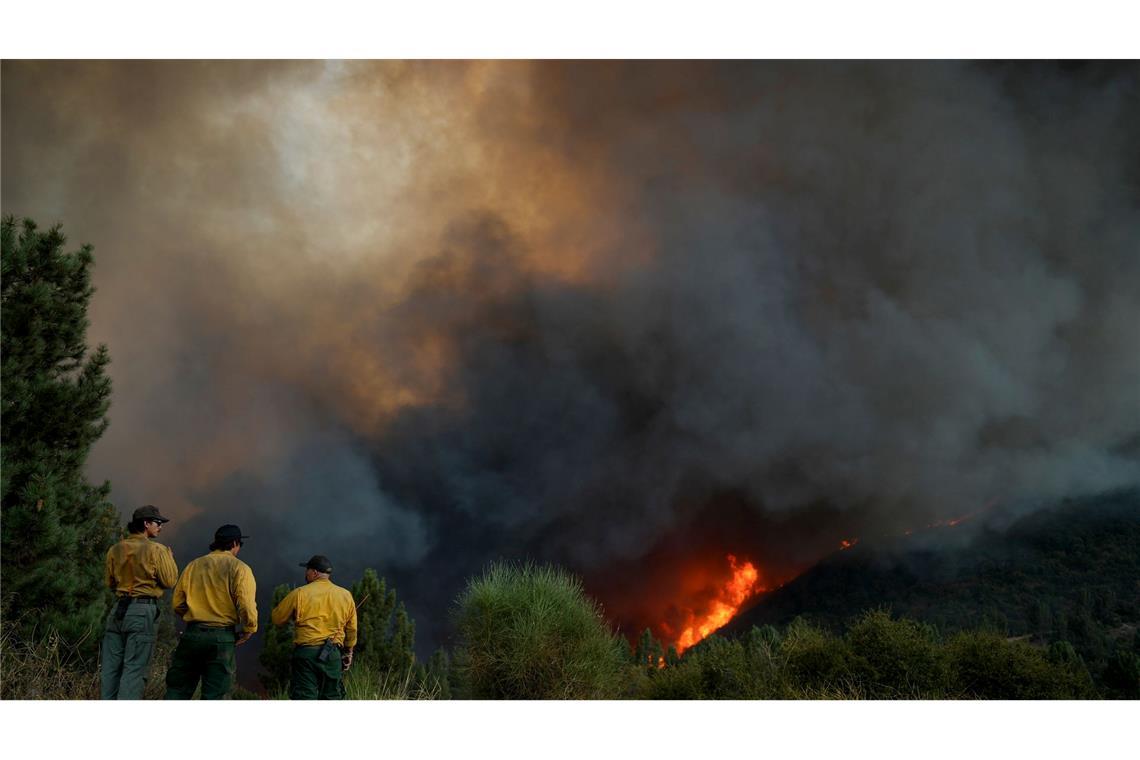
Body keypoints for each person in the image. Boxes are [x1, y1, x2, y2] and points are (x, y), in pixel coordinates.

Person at [164, 524, 257, 699]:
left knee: (177, 691)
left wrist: (195, 616)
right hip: (221, 640)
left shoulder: (194, 565)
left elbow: (177, 602)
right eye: (239, 545)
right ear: (235, 543)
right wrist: (249, 629)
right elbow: (246, 605)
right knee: (214, 695)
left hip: (192, 636)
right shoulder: (240, 569)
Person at [101, 505, 178, 699]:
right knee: (135, 670)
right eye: (158, 523)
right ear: (146, 524)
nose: (160, 527)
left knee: (111, 669)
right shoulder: (157, 550)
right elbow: (170, 581)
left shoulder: (115, 549)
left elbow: (109, 582)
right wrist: (169, 559)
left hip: (118, 610)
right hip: (142, 611)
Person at [271, 555, 358, 700]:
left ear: (315, 573)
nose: (306, 573)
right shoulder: (346, 595)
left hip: (306, 655)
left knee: (304, 697)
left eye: (307, 570)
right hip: (333, 656)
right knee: (332, 698)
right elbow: (352, 630)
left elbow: (277, 619)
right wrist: (348, 653)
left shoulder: (300, 593)